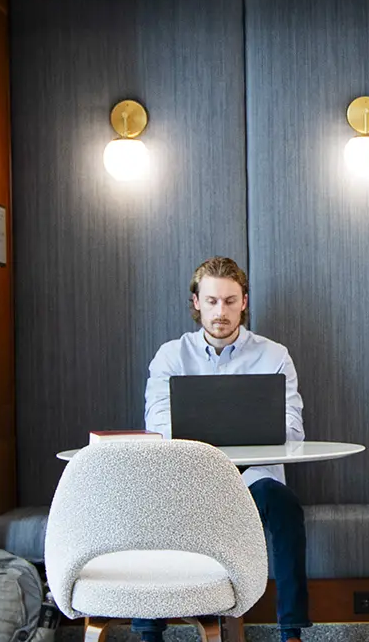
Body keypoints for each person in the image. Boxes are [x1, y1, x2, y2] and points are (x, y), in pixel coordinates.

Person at [140, 257, 309, 642]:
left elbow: (293, 430)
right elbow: (158, 427)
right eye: (213, 301)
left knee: (283, 503)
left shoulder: (274, 355)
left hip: (254, 482)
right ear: (196, 302)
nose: (221, 312)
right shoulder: (170, 356)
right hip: (187, 480)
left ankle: (292, 633)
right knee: (149, 503)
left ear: (244, 302)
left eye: (231, 301)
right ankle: (150, 634)